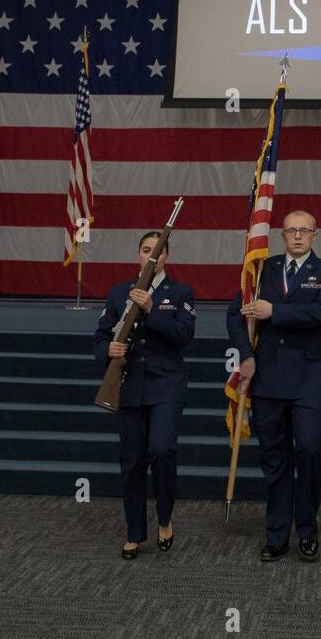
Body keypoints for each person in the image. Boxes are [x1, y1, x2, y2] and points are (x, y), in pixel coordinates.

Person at [226, 210, 321, 562]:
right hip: (267, 379)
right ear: (281, 234)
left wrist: (273, 312)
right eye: (291, 231)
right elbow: (237, 315)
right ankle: (276, 534)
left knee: (308, 451)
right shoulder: (262, 270)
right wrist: (245, 355)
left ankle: (307, 529)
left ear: (315, 234)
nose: (297, 236)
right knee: (275, 460)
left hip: (309, 380)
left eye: (304, 230)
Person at [94, 230, 196, 560]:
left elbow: (184, 335)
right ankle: (135, 532)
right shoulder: (118, 293)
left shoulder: (180, 293)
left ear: (166, 257)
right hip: (130, 385)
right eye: (145, 249)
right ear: (137, 255)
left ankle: (164, 518)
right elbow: (99, 337)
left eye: (158, 251)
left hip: (166, 384)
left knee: (162, 450)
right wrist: (107, 349)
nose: (151, 256)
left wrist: (153, 309)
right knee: (132, 462)